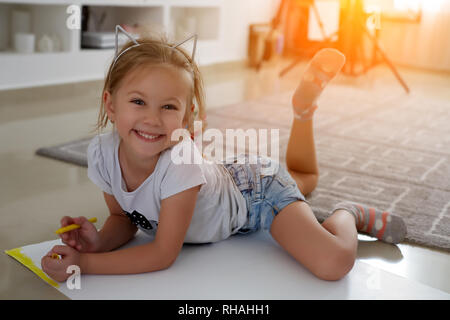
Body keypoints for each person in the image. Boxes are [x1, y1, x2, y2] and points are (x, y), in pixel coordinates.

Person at [41, 30, 406, 282]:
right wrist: (99, 241)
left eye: (168, 106)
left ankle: (348, 212)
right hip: (227, 177)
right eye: (138, 101)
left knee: (334, 262)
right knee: (303, 181)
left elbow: (162, 254)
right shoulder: (103, 154)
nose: (152, 119)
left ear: (187, 118)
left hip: (258, 194)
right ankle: (303, 112)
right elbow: (124, 218)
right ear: (110, 103)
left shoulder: (179, 164)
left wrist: (86, 264)